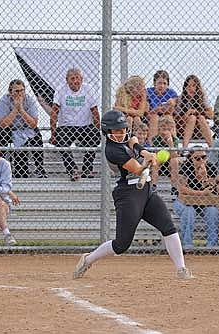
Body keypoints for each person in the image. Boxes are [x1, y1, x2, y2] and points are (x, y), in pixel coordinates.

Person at [73, 109, 193, 280]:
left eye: (123, 129)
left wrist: (146, 153)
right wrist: (147, 163)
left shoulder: (126, 137)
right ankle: (88, 259)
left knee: (168, 227)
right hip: (128, 194)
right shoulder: (112, 151)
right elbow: (137, 170)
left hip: (146, 190)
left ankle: (182, 269)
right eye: (116, 131)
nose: (121, 133)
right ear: (107, 132)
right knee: (121, 245)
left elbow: (133, 141)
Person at [50, 68, 101, 181]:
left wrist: (98, 130)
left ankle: (87, 169)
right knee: (61, 139)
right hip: (66, 126)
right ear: (67, 80)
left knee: (93, 136)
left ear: (82, 79)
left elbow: (95, 111)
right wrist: (53, 133)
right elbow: (54, 112)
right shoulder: (61, 90)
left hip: (85, 125)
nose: (75, 81)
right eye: (72, 78)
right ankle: (72, 170)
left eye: (78, 78)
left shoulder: (89, 89)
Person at [0, 79, 47, 178]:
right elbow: (3, 124)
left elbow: (33, 124)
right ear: (10, 92)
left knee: (37, 135)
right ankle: (0, 167)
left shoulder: (29, 100)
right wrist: (15, 109)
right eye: (16, 91)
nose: (20, 93)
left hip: (26, 129)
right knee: (0, 132)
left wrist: (21, 109)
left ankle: (40, 168)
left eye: (22, 90)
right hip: (9, 129)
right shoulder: (4, 100)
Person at [173, 148, 219, 249]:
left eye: (204, 157)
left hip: (204, 202)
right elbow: (182, 189)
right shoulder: (186, 167)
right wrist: (201, 193)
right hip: (185, 202)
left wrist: (204, 177)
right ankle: (187, 244)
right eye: (197, 158)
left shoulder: (210, 167)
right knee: (188, 211)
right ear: (191, 159)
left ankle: (212, 245)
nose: (201, 160)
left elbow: (211, 188)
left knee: (213, 211)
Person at [174, 74, 214, 148]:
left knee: (201, 118)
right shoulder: (181, 98)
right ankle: (185, 148)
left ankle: (212, 147)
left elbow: (211, 115)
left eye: (193, 86)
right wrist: (186, 114)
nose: (191, 88)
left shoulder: (202, 97)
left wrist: (197, 112)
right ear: (185, 88)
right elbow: (176, 119)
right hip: (184, 128)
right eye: (188, 86)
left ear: (197, 87)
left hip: (198, 130)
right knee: (192, 118)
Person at [145, 70, 178, 141]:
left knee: (168, 117)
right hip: (152, 117)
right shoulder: (148, 92)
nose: (162, 86)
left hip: (166, 116)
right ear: (154, 83)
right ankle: (152, 146)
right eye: (159, 83)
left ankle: (174, 146)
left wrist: (160, 109)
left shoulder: (171, 93)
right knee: (154, 117)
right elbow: (147, 113)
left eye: (164, 83)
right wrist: (160, 109)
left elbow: (171, 111)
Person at [151, 117, 180, 192]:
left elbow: (174, 155)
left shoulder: (174, 139)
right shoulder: (156, 138)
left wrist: (170, 143)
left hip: (170, 161)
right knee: (155, 161)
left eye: (169, 130)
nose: (165, 132)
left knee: (175, 161)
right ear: (159, 129)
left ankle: (174, 187)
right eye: (163, 129)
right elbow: (155, 153)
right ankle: (154, 185)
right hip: (159, 161)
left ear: (172, 130)